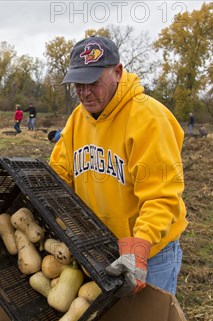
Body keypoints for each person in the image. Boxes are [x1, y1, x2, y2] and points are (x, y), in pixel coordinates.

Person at [50, 35, 187, 296]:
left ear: (118, 72)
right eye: (77, 83)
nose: (84, 92)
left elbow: (161, 195)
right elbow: (60, 172)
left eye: (92, 82)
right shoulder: (78, 118)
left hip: (150, 251)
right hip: (97, 246)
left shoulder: (148, 118)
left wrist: (139, 247)